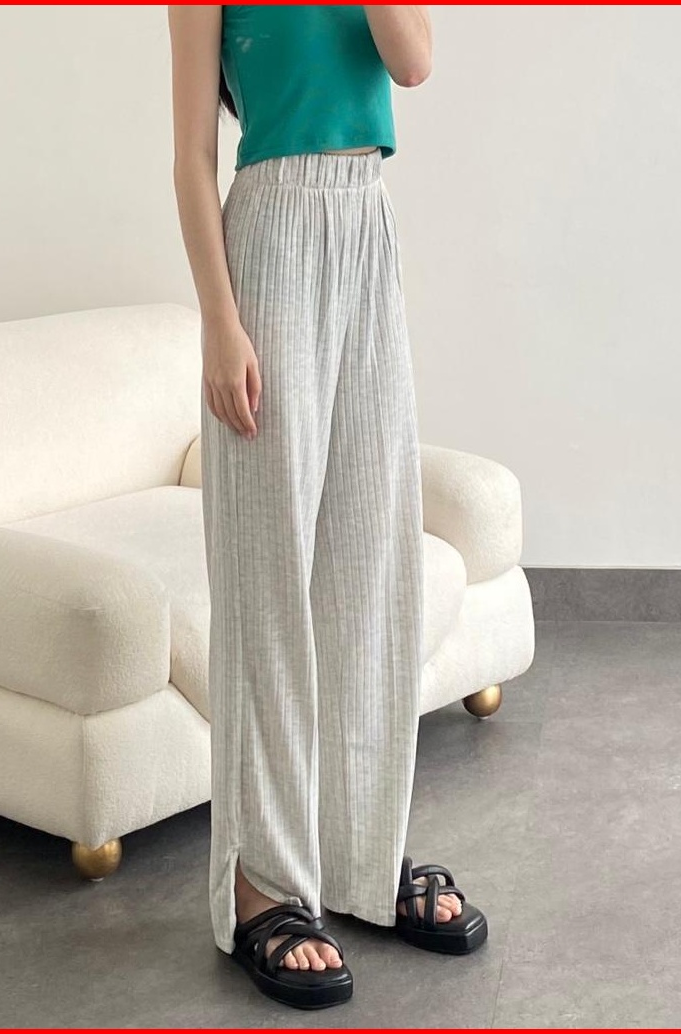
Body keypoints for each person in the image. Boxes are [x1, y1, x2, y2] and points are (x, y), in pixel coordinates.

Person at [168, 5, 488, 1010]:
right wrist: (219, 323)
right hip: (267, 234)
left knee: (369, 562)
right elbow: (190, 157)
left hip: (366, 224)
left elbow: (413, 62)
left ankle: (360, 858)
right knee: (268, 573)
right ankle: (262, 882)